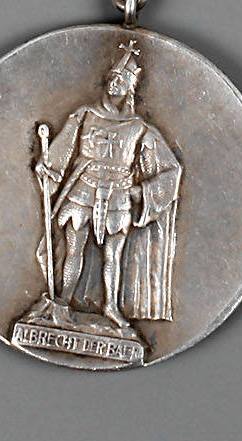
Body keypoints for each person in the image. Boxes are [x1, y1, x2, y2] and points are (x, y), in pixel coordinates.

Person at [36, 42, 181, 328]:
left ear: (130, 89)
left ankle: (111, 307)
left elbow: (170, 169)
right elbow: (61, 151)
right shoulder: (85, 115)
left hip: (118, 195)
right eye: (113, 78)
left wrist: (141, 191)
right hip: (83, 189)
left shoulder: (139, 128)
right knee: (74, 249)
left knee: (113, 255)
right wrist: (47, 166)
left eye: (122, 81)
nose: (115, 84)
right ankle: (62, 302)